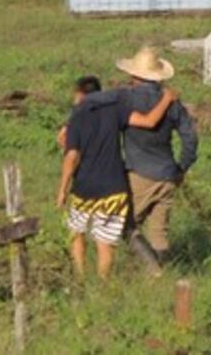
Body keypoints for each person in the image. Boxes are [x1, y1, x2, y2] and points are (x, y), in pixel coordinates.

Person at [56, 75, 178, 279]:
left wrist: (62, 189)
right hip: (113, 189)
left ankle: (80, 277)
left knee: (76, 233)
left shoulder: (77, 116)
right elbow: (149, 121)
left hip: (84, 189)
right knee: (105, 242)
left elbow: (73, 156)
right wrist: (166, 99)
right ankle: (103, 283)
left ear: (79, 94)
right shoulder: (115, 110)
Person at [90, 47, 199, 268]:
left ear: (133, 75)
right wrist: (181, 168)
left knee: (122, 225)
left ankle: (153, 270)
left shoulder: (124, 99)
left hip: (140, 174)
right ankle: (160, 279)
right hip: (168, 174)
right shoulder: (172, 101)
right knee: (159, 233)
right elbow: (190, 138)